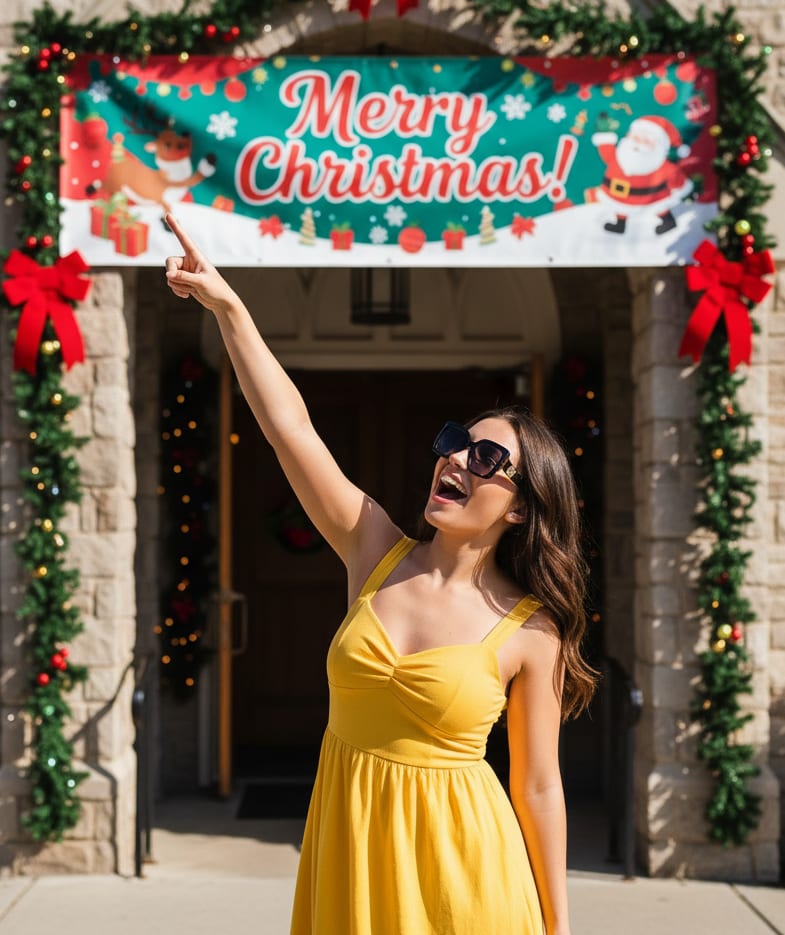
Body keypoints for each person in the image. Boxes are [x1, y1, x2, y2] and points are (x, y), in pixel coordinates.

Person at [164, 213, 597, 935]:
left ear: (521, 510)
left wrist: (557, 926)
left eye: (487, 460)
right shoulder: (375, 550)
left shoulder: (532, 630)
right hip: (351, 860)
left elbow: (539, 786)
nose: (457, 459)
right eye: (457, 443)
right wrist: (229, 308)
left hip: (468, 878)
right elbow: (289, 428)